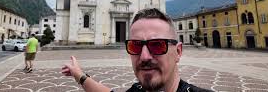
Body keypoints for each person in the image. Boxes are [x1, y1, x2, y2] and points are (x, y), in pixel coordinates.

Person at [62, 8, 212, 92]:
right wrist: (79, 75)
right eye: (136, 45)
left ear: (178, 52)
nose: (144, 56)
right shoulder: (137, 90)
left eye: (157, 45)